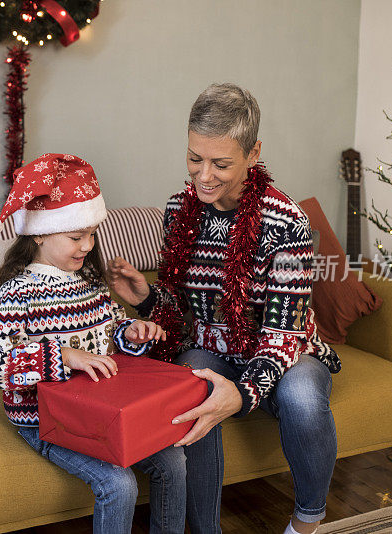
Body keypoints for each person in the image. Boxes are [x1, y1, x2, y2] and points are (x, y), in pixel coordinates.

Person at [107, 83, 340, 534]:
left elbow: (283, 333)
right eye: (195, 158)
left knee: (303, 396)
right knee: (188, 383)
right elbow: (183, 313)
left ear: (253, 154)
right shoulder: (179, 210)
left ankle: (307, 519)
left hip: (285, 353)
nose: (204, 175)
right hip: (211, 347)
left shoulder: (287, 222)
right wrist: (147, 298)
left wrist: (242, 393)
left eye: (221, 163)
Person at [0, 153, 187, 534]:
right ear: (38, 233)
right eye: (76, 236)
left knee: (173, 461)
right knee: (118, 484)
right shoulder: (17, 293)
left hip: (101, 410)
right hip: (44, 422)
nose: (87, 245)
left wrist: (132, 333)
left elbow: (111, 330)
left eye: (91, 234)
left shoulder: (90, 284)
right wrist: (63, 356)